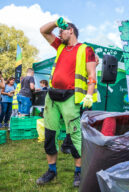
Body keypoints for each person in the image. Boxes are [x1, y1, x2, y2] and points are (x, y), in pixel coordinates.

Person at [37, 17, 97, 187]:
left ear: (71, 30)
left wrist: (89, 95)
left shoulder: (86, 49)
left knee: (76, 137)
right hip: (52, 97)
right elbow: (43, 30)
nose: (59, 34)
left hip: (71, 98)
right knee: (50, 135)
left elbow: (92, 75)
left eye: (62, 30)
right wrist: (57, 22)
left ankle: (79, 173)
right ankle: (51, 171)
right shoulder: (60, 46)